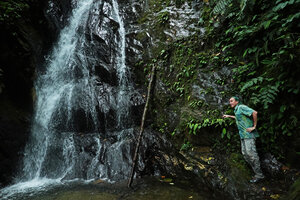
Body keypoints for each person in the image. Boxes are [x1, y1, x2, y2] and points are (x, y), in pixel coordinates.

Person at [223, 96, 265, 183]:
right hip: (243, 135)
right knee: (245, 154)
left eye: (231, 101)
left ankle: (260, 175)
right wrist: (229, 116)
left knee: (251, 155)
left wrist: (254, 126)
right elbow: (238, 118)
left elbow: (254, 113)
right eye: (229, 101)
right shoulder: (237, 109)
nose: (230, 102)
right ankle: (256, 173)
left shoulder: (242, 107)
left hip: (249, 135)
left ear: (237, 101)